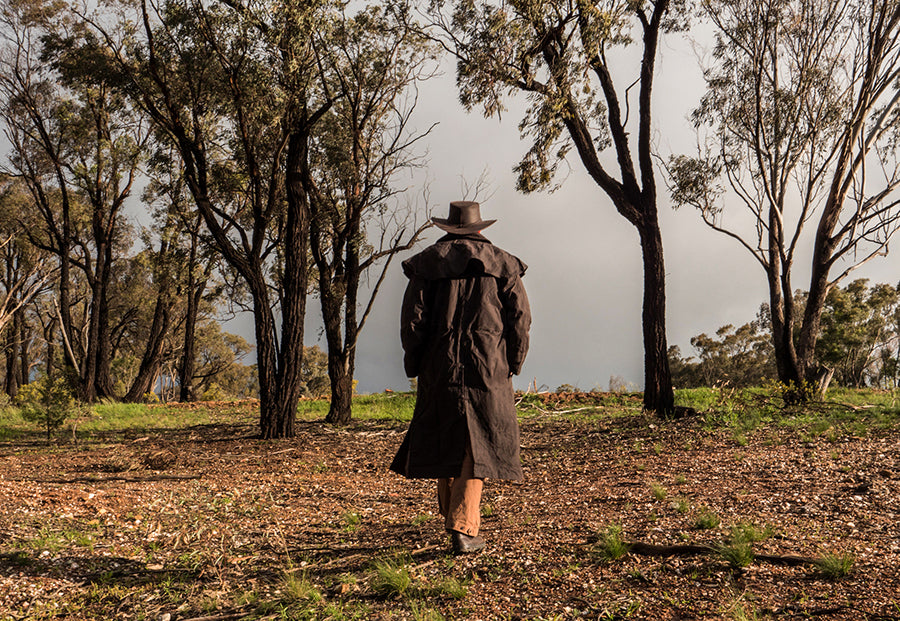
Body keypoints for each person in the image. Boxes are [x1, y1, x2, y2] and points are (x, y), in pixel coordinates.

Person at [390, 200, 531, 554]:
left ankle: (456, 520)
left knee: (447, 437)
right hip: (489, 365)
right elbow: (520, 319)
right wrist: (515, 360)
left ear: (448, 229)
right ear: (480, 228)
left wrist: (415, 362)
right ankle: (464, 527)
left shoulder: (428, 264)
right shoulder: (503, 264)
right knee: (478, 441)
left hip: (439, 364)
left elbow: (413, 320)